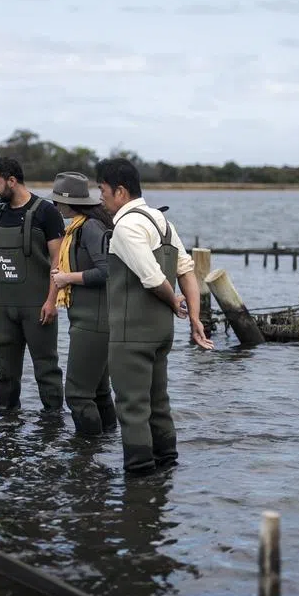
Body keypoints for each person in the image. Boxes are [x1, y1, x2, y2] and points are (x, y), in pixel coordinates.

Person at [95, 157, 214, 474]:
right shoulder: (163, 223)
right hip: (161, 333)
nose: (100, 197)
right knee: (159, 404)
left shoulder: (125, 226)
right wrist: (195, 319)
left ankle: (140, 474)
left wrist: (176, 303)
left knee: (132, 408)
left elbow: (151, 278)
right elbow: (187, 271)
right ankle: (168, 468)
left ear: (120, 191)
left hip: (131, 332)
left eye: (102, 190)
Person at [0, 156, 66, 412]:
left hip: (38, 307)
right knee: (5, 374)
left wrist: (52, 300)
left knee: (46, 369)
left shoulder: (47, 213)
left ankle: (53, 427)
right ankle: (5, 428)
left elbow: (58, 261)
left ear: (12, 181)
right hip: (4, 309)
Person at [47, 171, 118, 436]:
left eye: (57, 201)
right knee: (99, 392)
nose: (54, 206)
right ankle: (108, 445)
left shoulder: (89, 228)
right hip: (90, 319)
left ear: (70, 203)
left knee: (77, 395)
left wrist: (67, 278)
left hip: (93, 323)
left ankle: (85, 452)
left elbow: (106, 271)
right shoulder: (81, 226)